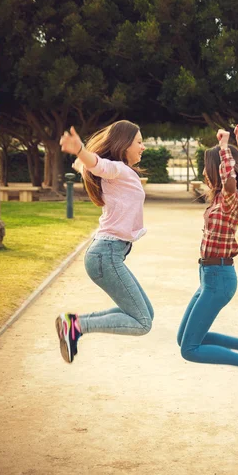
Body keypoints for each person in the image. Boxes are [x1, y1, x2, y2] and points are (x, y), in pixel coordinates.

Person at [177, 125, 238, 399]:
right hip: (209, 276)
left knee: (190, 349)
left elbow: (231, 178)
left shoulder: (232, 198)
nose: (206, 175)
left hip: (218, 278)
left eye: (209, 171)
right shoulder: (223, 197)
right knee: (183, 339)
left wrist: (223, 148)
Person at [56, 120, 154, 364]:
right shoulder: (117, 169)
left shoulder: (123, 172)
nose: (143, 147)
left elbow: (92, 166)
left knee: (145, 314)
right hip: (105, 255)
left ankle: (75, 324)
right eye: (139, 142)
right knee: (142, 323)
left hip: (109, 254)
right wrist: (80, 152)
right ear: (124, 144)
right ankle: (75, 326)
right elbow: (99, 165)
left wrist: (81, 161)